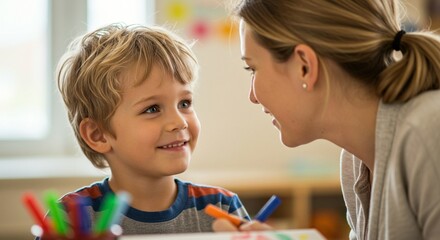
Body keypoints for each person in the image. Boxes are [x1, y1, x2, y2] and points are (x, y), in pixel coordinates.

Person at [213, 0, 440, 239]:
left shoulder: (427, 133)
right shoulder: (354, 162)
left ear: (304, 67)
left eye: (253, 69)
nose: (252, 97)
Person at [54, 23, 249, 236]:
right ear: (97, 134)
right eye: (152, 109)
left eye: (184, 103)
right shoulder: (71, 219)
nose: (180, 122)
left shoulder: (222, 208)